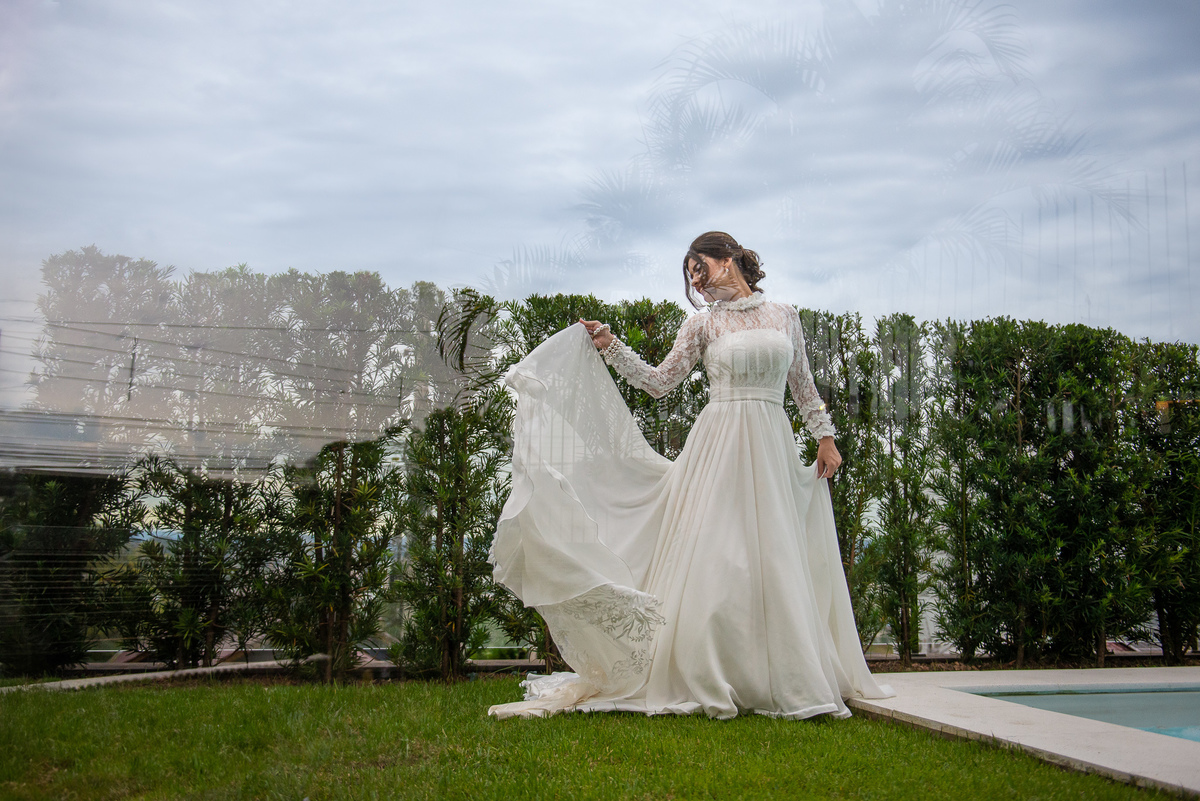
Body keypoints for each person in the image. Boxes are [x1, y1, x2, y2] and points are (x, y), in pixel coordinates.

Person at [488, 231, 893, 720]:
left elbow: (802, 382)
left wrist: (824, 436)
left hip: (771, 442)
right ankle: (712, 666)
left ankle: (782, 673)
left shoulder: (784, 315)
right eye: (690, 277)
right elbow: (659, 383)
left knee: (774, 555)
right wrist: (611, 347)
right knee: (722, 556)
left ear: (729, 258)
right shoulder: (703, 325)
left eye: (701, 268)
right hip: (718, 446)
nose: (697, 283)